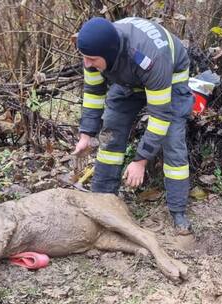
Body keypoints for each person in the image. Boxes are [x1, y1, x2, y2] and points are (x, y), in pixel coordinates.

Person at [71, 17, 194, 234]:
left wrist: (140, 160)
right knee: (111, 130)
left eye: (92, 59)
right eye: (85, 58)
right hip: (130, 78)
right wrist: (86, 134)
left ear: (108, 53)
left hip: (168, 77)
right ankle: (102, 198)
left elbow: (160, 117)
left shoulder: (150, 59)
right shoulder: (94, 52)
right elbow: (93, 94)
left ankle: (178, 212)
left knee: (172, 140)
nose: (87, 64)